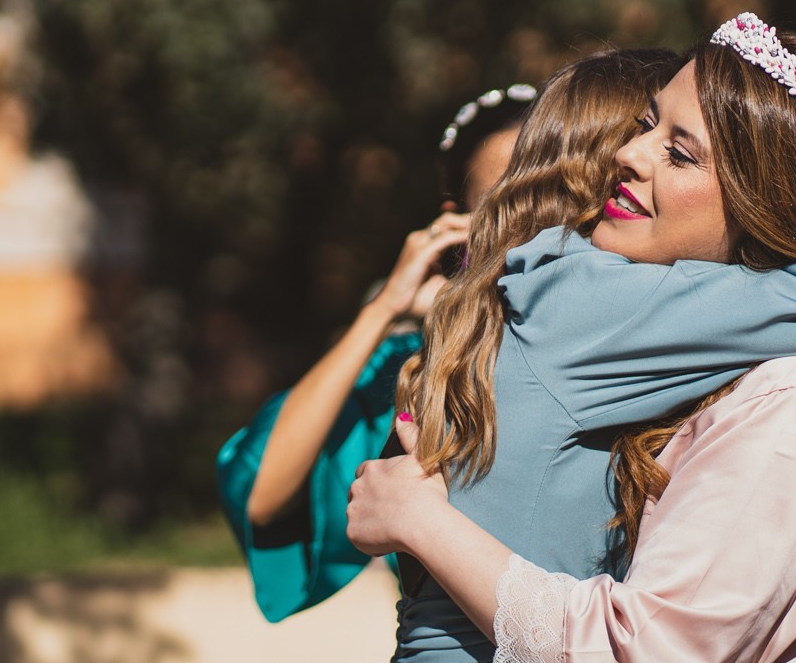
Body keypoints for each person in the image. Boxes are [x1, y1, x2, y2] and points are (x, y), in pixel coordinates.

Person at [347, 15, 796, 663]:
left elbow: (731, 476)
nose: (630, 156)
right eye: (642, 126)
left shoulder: (603, 329)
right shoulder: (585, 302)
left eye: (677, 148)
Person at [215, 78, 556, 620]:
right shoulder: (415, 371)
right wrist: (383, 313)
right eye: (507, 202)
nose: (538, 224)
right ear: (457, 220)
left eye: (556, 193)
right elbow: (261, 493)